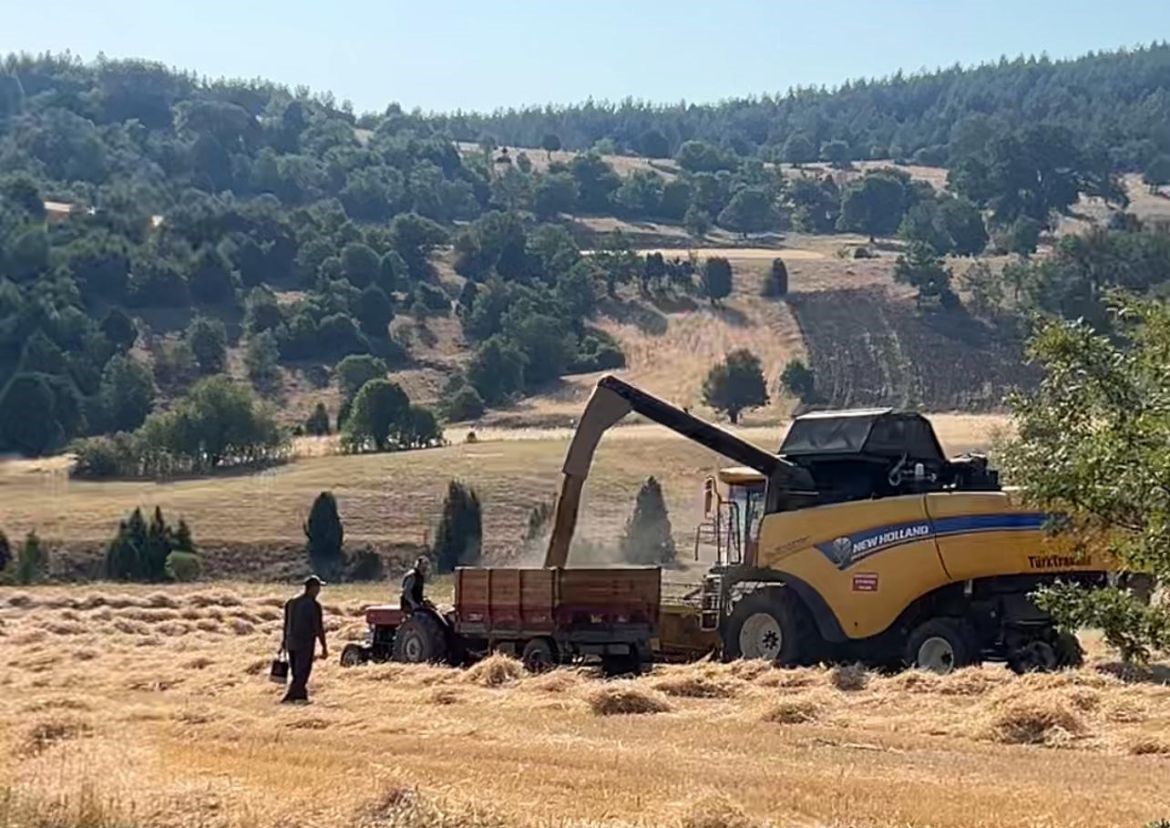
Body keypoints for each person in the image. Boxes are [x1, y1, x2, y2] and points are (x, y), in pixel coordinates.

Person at [281, 575, 328, 703]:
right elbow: (319, 627)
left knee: (296, 672)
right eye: (318, 588)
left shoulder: (291, 603)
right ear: (312, 588)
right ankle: (289, 697)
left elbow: (286, 624)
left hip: (291, 642)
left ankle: (301, 697)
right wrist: (324, 647)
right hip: (305, 643)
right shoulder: (314, 605)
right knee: (303, 672)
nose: (319, 591)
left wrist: (283, 642)